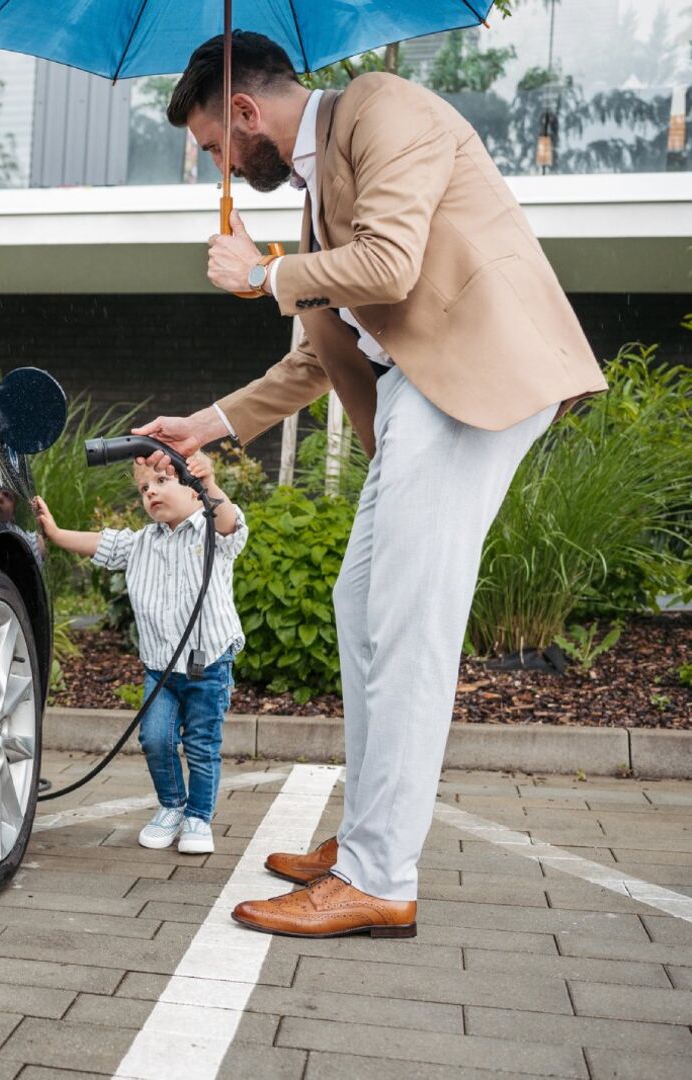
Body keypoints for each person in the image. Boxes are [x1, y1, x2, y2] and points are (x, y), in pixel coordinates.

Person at [145, 32, 607, 937]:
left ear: (244, 113)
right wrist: (207, 423)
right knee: (359, 604)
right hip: (416, 400)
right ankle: (365, 836)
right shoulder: (321, 194)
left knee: (406, 619)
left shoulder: (383, 109)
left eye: (211, 148)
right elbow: (315, 360)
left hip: (468, 385)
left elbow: (392, 265)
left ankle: (377, 874)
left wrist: (265, 271)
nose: (216, 170)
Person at [33, 452, 246, 855]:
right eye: (144, 489)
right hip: (161, 668)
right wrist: (57, 532)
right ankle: (172, 806)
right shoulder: (140, 543)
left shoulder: (210, 530)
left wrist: (212, 483)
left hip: (209, 663)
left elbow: (230, 522)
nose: (151, 492)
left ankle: (199, 818)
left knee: (201, 744)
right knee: (154, 738)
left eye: (162, 481)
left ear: (194, 490)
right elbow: (99, 543)